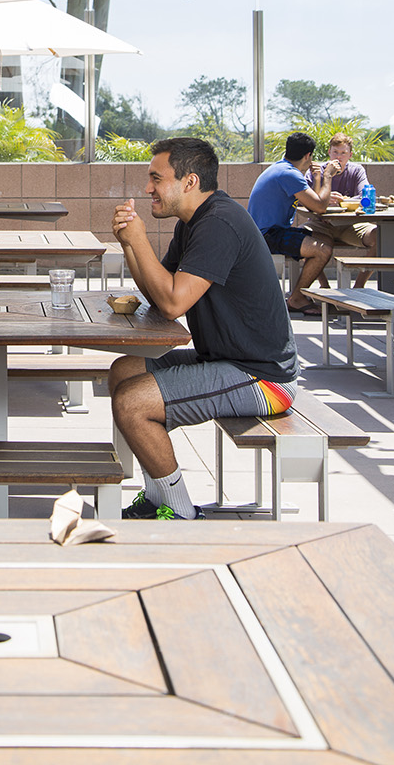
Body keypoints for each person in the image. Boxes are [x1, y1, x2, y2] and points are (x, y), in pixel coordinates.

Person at [110, 136, 299, 522]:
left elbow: (174, 303)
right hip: (226, 358)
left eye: (156, 178)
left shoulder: (220, 224)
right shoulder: (194, 223)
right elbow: (158, 293)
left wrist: (140, 239)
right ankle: (157, 494)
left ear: (189, 181)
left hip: (262, 376)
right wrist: (130, 247)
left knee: (133, 402)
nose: (148, 188)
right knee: (123, 371)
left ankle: (180, 514)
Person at [246, 131, 338, 315]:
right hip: (267, 236)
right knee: (323, 249)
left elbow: (314, 202)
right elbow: (319, 206)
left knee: (324, 239)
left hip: (268, 232)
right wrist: (328, 176)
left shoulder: (282, 168)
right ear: (308, 156)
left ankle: (312, 291)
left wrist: (318, 178)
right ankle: (296, 298)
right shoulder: (289, 174)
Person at [304, 132, 378, 287]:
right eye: (335, 152)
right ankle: (324, 287)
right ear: (329, 152)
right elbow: (306, 197)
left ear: (350, 155)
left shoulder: (357, 170)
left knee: (380, 238)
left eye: (343, 153)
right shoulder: (317, 169)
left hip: (350, 225)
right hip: (321, 224)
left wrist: (343, 201)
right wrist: (324, 198)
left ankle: (359, 286)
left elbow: (364, 195)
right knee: (300, 237)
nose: (339, 157)